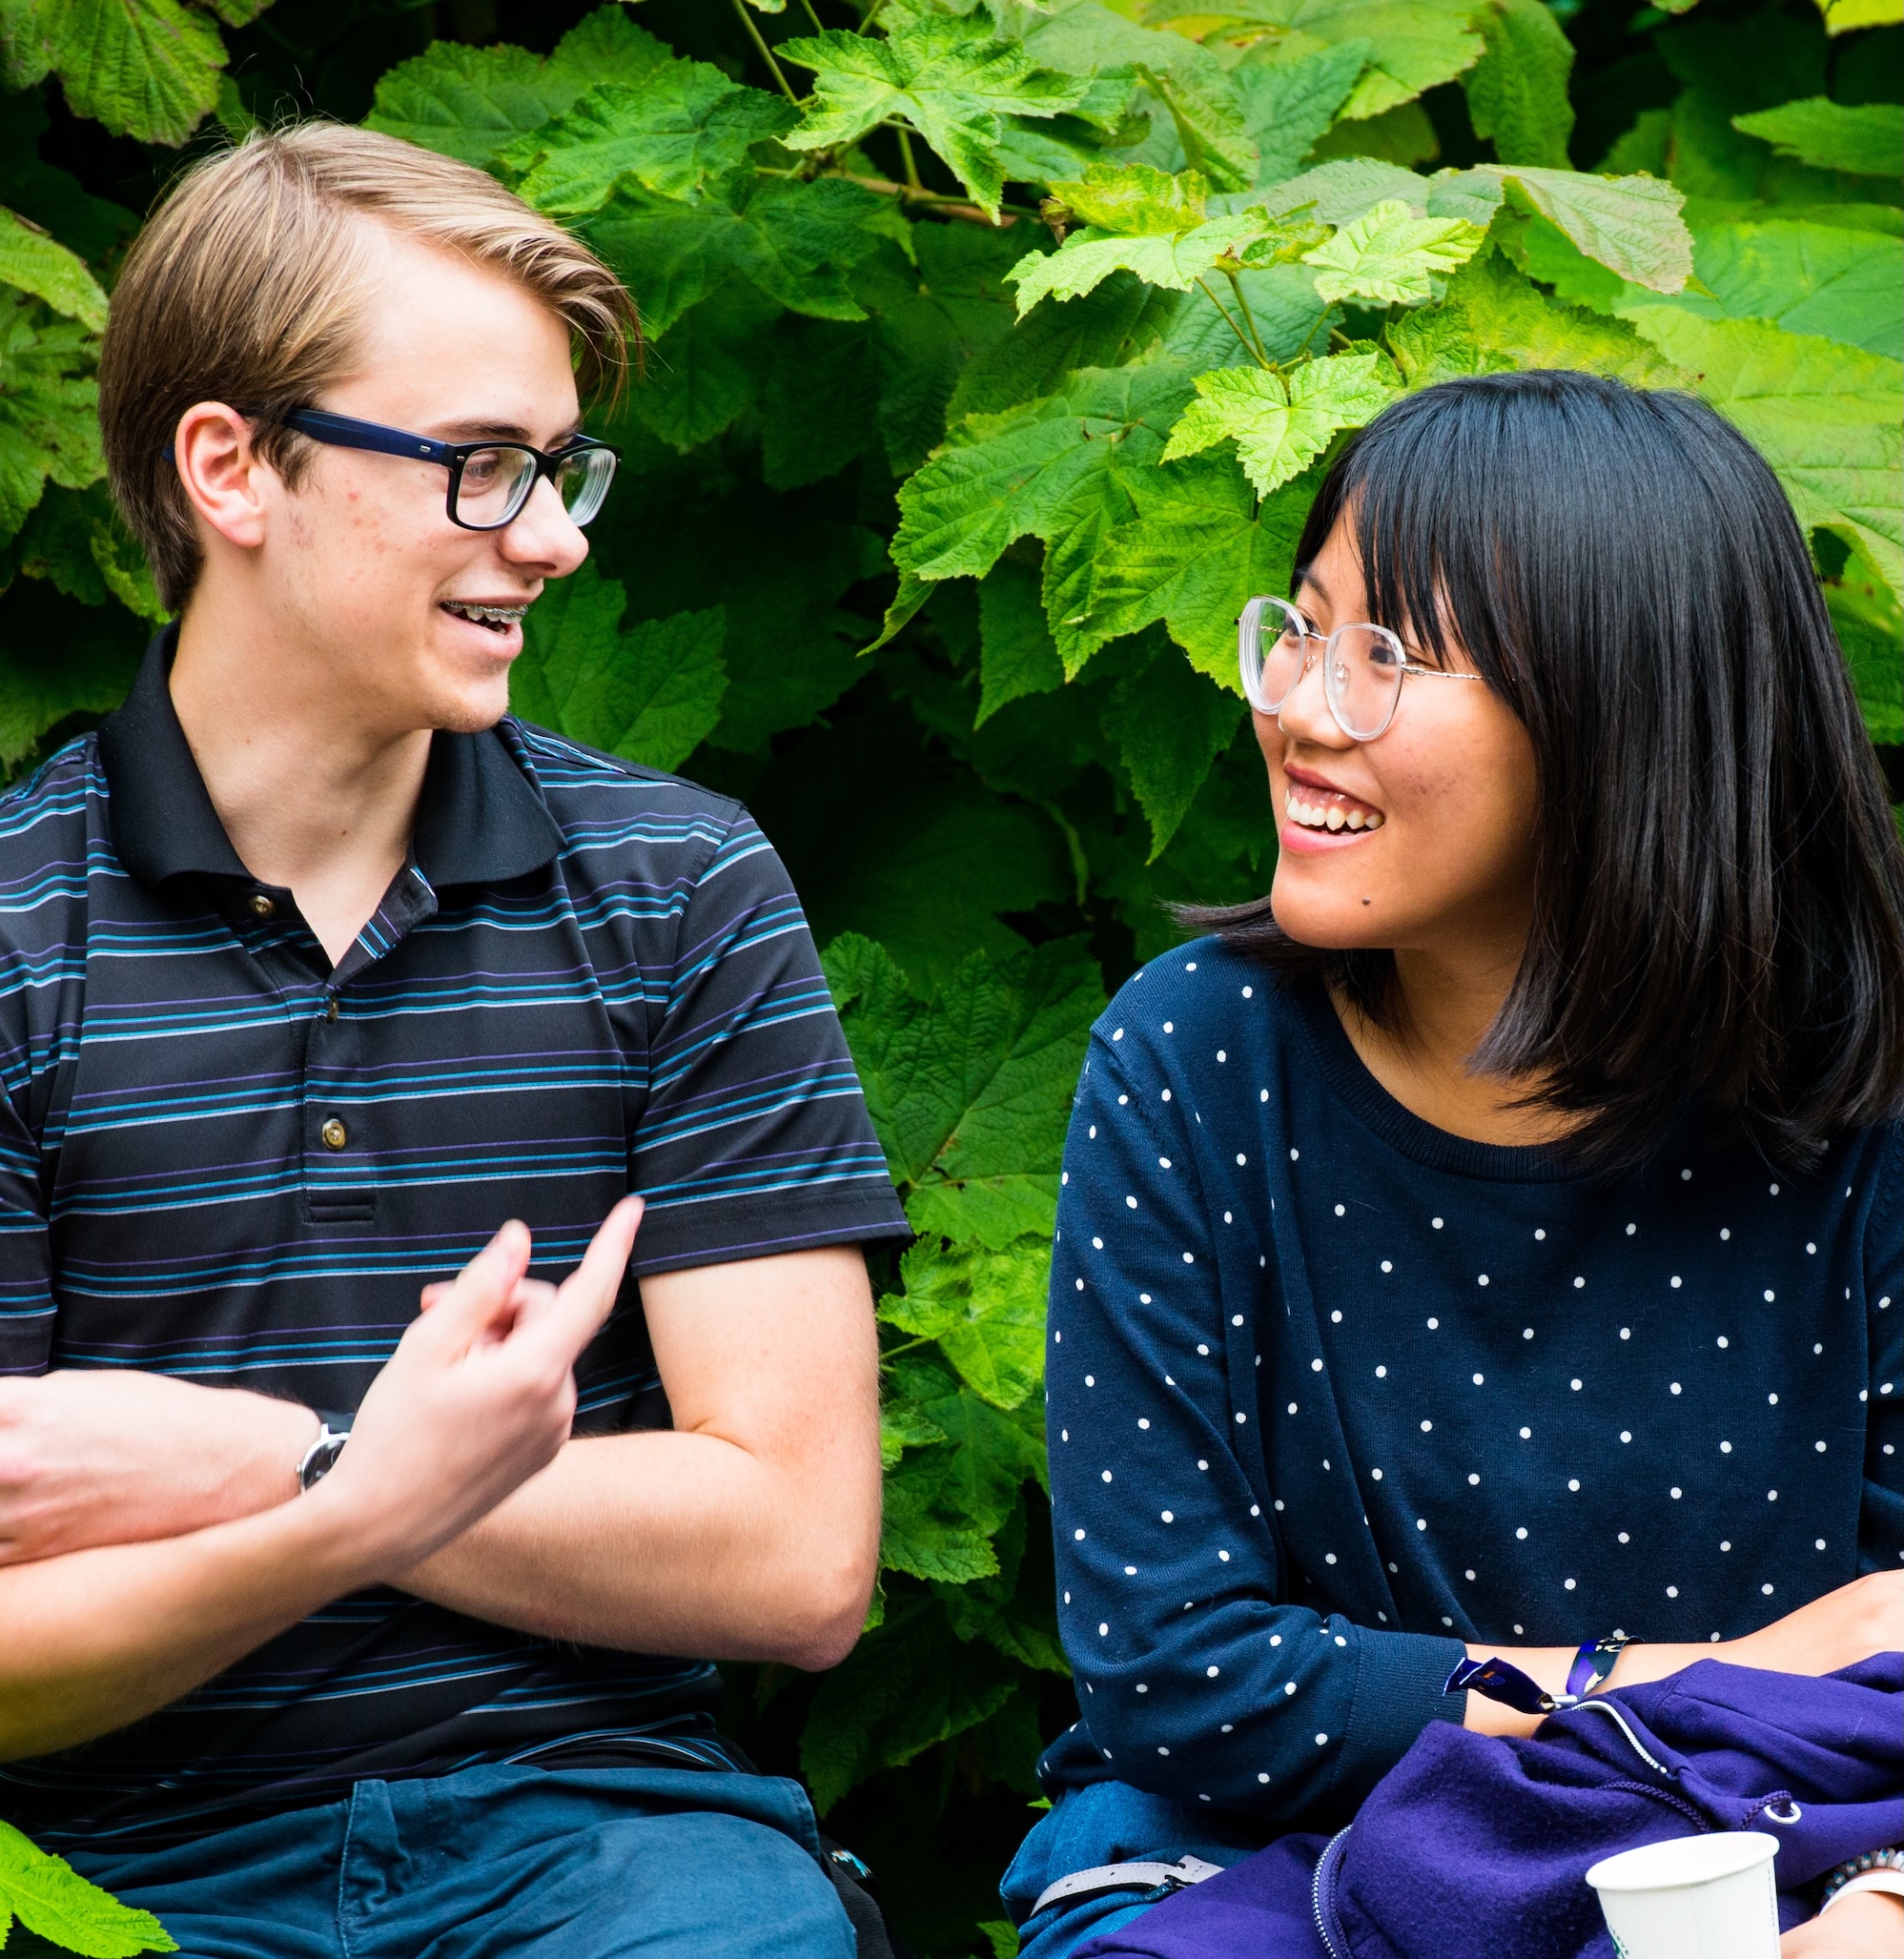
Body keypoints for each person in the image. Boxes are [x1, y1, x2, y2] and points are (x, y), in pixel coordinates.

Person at [0, 123, 911, 1956]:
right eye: (483, 470)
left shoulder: (677, 892)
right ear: (233, 467)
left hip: (611, 1853)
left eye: (564, 469)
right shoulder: (16, 937)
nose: (557, 540)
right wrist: (378, 1495)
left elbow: (798, 1559)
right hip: (122, 1875)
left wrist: (271, 1464)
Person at [1003, 373, 1904, 1957]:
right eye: (1301, 626)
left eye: (1388, 656)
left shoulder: (1871, 1094)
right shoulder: (1196, 1058)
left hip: (1778, 1846)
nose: (1294, 705)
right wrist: (1697, 1675)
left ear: (1621, 711)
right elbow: (1178, 1677)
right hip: (1252, 1862)